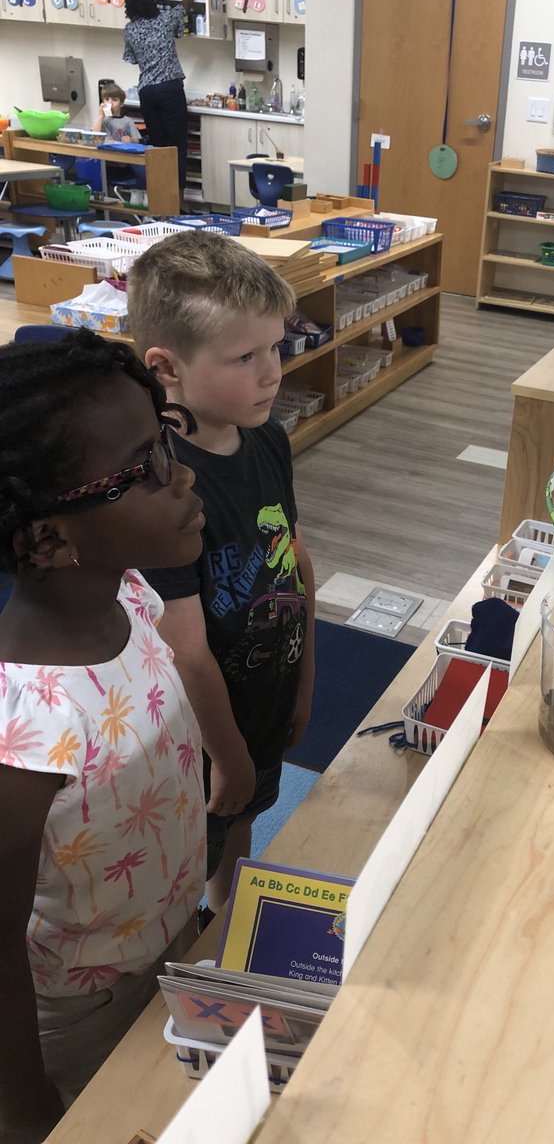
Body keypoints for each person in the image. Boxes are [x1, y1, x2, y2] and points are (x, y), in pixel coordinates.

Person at [0, 329, 207, 1144]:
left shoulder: (132, 595)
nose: (184, 474)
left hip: (167, 936)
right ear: (51, 540)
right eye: (146, 469)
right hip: (78, 1009)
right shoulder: (23, 734)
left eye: (166, 443)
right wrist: (23, 1110)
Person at [130, 232, 316, 918]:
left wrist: (305, 680)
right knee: (190, 845)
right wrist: (228, 755)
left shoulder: (267, 435)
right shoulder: (163, 484)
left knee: (241, 825)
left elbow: (296, 561)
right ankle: (194, 926)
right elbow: (184, 649)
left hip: (264, 694)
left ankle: (224, 915)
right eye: (246, 356)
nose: (273, 372)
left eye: (276, 346)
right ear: (166, 367)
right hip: (199, 731)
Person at [122, 0, 198, 193]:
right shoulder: (165, 20)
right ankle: (178, 202)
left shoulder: (130, 30)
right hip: (170, 90)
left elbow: (132, 58)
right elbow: (184, 5)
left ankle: (161, 200)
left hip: (147, 91)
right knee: (177, 148)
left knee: (157, 148)